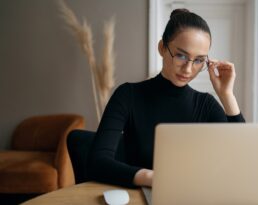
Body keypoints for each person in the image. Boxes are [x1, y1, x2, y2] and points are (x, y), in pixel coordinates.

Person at [87, 8, 245, 188]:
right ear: (162, 48)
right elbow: (97, 162)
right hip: (143, 195)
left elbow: (240, 160)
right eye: (181, 55)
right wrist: (152, 178)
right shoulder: (128, 96)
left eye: (199, 60)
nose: (188, 69)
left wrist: (226, 95)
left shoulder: (206, 105)